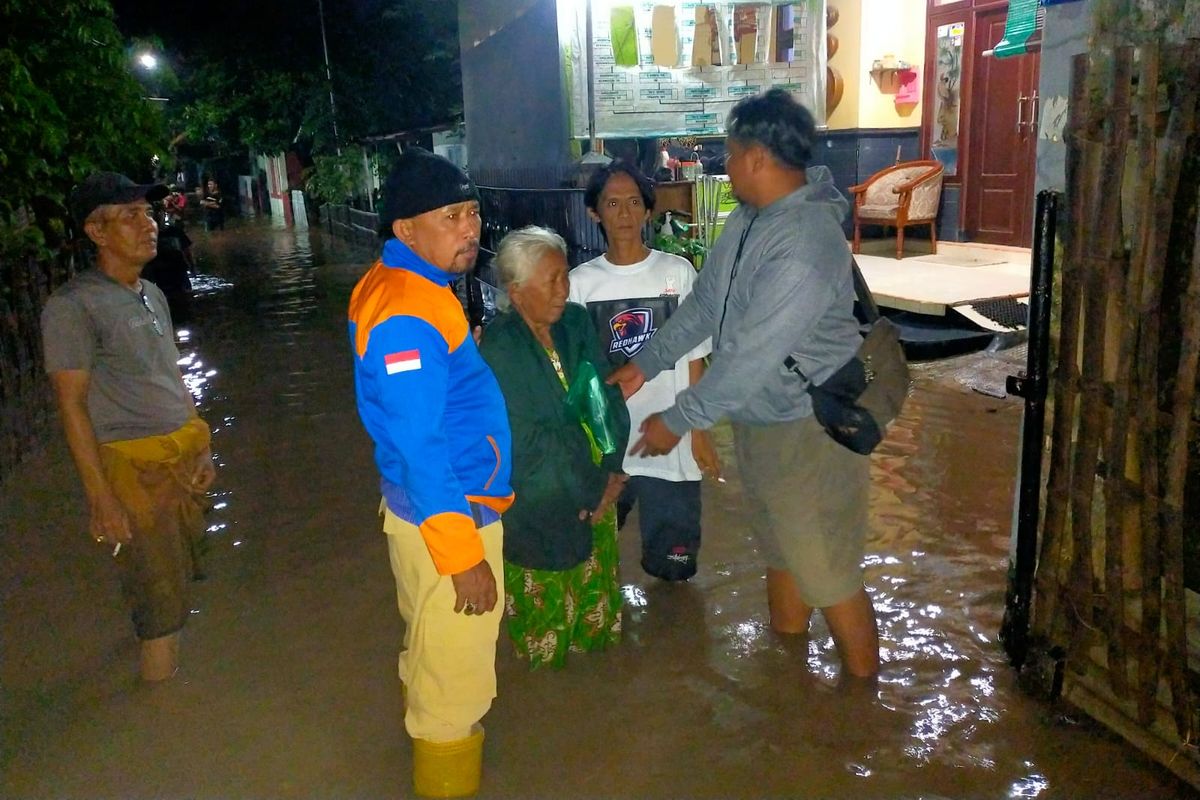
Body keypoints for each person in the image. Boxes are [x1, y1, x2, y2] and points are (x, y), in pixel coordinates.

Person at [608, 89, 880, 679]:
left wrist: (677, 420)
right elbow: (707, 307)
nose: (722, 166)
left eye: (728, 154)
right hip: (762, 421)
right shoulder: (747, 219)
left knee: (828, 573)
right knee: (783, 554)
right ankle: (790, 678)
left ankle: (863, 710)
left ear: (756, 156)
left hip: (810, 429)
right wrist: (646, 364)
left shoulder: (806, 242)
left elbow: (752, 354)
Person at [347, 149, 512, 798]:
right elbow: (420, 445)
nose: (470, 227)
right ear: (405, 231)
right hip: (447, 520)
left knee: (432, 655)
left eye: (472, 212)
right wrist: (462, 555)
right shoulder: (406, 314)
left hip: (429, 511)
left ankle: (427, 752)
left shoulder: (412, 289)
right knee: (457, 686)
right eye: (451, 216)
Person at [41, 172, 216, 682]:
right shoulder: (73, 307)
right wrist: (101, 497)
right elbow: (71, 406)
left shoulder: (151, 293)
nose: (150, 225)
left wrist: (200, 443)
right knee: (160, 597)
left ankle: (161, 674)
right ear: (96, 232)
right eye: (132, 215)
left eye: (148, 213)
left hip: (178, 459)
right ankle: (161, 709)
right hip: (134, 471)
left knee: (179, 579)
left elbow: (172, 376)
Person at [478, 226, 629, 669]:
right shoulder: (501, 347)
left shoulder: (576, 322)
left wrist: (614, 470)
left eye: (565, 276)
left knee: (595, 625)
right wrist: (589, 486)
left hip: (596, 487)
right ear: (516, 289)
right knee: (546, 640)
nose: (564, 289)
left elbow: (603, 397)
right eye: (553, 280)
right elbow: (526, 440)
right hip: (541, 499)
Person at [569, 161, 719, 582]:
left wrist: (698, 434)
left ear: (649, 211)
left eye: (634, 202)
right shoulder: (580, 284)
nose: (624, 214)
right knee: (591, 565)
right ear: (594, 213)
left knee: (673, 574)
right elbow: (578, 374)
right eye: (612, 203)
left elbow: (695, 355)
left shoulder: (677, 272)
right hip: (608, 445)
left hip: (670, 443)